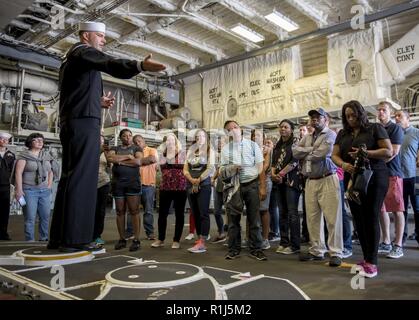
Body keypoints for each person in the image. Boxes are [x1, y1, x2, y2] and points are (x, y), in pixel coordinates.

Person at [48, 21, 165, 252]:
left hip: (75, 120)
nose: (103, 40)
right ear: (86, 36)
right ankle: (76, 239)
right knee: (83, 178)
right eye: (100, 36)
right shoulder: (83, 52)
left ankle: (60, 237)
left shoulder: (71, 59)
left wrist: (97, 102)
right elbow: (110, 63)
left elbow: (75, 92)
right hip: (83, 123)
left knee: (70, 178)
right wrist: (139, 65)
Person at [332, 100, 392, 278]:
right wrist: (343, 164)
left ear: (360, 113)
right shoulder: (342, 133)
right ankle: (366, 259)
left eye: (353, 115)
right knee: (358, 218)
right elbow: (334, 155)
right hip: (353, 179)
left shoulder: (374, 128)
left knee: (371, 216)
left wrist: (366, 153)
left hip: (375, 177)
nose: (350, 119)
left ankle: (372, 262)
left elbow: (388, 151)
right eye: (347, 116)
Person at [293, 108, 343, 267]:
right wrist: (310, 150)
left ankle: (335, 252)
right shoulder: (307, 137)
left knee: (332, 218)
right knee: (312, 218)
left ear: (325, 119)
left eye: (318, 117)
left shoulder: (330, 135)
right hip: (310, 181)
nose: (314, 120)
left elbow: (322, 154)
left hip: (327, 178)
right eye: (312, 118)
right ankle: (317, 250)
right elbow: (294, 152)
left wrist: (306, 153)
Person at [220, 120, 267, 261]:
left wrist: (262, 187)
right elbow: (221, 170)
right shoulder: (225, 150)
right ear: (227, 133)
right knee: (233, 220)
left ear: (240, 129)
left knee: (254, 219)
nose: (233, 130)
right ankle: (234, 249)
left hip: (252, 184)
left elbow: (260, 168)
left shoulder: (252, 146)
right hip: (234, 186)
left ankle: (256, 249)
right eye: (230, 129)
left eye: (235, 127)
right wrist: (232, 168)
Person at [376, 101, 405, 258]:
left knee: (397, 210)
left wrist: (374, 161)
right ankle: (386, 242)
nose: (380, 112)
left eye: (384, 110)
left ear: (390, 113)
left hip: (393, 174)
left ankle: (398, 244)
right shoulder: (376, 129)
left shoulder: (395, 129)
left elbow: (392, 152)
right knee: (381, 209)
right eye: (379, 110)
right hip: (379, 174)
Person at [107, 129, 143, 251]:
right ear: (121, 137)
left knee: (134, 211)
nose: (127, 137)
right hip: (118, 184)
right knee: (120, 212)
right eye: (125, 136)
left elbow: (138, 161)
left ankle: (136, 240)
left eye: (129, 135)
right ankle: (122, 239)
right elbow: (110, 158)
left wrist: (120, 161)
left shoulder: (137, 148)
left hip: (133, 184)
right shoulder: (115, 148)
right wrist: (127, 157)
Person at [14, 133, 53, 241]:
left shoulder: (46, 155)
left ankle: (44, 238)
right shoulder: (24, 156)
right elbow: (18, 173)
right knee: (30, 218)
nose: (40, 142)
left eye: (41, 140)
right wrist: (19, 190)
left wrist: (49, 185)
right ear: (30, 142)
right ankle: (29, 240)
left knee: (45, 217)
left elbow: (50, 171)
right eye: (37, 140)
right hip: (29, 190)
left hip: (44, 191)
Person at [152, 133, 187, 249]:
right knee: (162, 214)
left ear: (176, 141)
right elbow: (159, 169)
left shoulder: (182, 153)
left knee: (179, 214)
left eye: (172, 140)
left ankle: (176, 240)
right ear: (165, 142)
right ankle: (160, 239)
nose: (170, 142)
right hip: (165, 187)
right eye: (167, 140)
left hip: (180, 187)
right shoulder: (162, 155)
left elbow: (187, 169)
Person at [272, 120, 302, 255]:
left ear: (291, 129)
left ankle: (295, 245)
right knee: (282, 212)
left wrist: (281, 174)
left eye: (286, 127)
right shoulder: (278, 145)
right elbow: (273, 163)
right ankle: (284, 242)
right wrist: (273, 174)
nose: (282, 129)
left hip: (291, 181)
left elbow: (295, 161)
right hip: (278, 182)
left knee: (292, 213)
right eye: (281, 127)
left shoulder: (295, 142)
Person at [183, 129, 215, 253]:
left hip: (204, 184)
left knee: (203, 213)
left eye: (202, 136)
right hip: (190, 184)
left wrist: (199, 179)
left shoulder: (209, 151)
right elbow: (185, 168)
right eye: (197, 137)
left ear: (206, 138)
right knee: (195, 212)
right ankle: (199, 238)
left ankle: (203, 240)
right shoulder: (191, 151)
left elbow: (210, 167)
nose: (199, 138)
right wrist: (191, 179)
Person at [395, 110, 419, 244]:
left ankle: (418, 235)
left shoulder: (416, 133)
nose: (397, 118)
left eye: (399, 116)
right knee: (400, 209)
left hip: (414, 177)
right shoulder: (394, 134)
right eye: (395, 116)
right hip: (398, 177)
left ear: (407, 118)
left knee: (417, 208)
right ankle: (401, 237)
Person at [133, 134, 158, 240]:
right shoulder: (133, 151)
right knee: (132, 211)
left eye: (139, 141)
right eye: (135, 142)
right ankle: (130, 233)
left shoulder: (152, 150)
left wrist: (137, 161)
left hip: (148, 185)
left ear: (143, 141)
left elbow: (152, 159)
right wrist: (143, 161)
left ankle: (150, 233)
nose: (138, 143)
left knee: (148, 211)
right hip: (135, 184)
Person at [92, 134, 111, 245]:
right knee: (90, 209)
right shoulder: (89, 150)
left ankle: (97, 235)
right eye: (99, 140)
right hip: (90, 183)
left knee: (100, 211)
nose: (101, 143)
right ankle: (87, 233)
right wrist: (99, 151)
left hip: (103, 182)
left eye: (102, 141)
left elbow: (109, 166)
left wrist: (108, 155)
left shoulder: (105, 152)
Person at [0, 132, 15, 240]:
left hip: (5, 186)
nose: (5, 141)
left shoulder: (10, 155)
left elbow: (12, 170)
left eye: (7, 140)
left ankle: (3, 233)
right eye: (2, 139)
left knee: (4, 211)